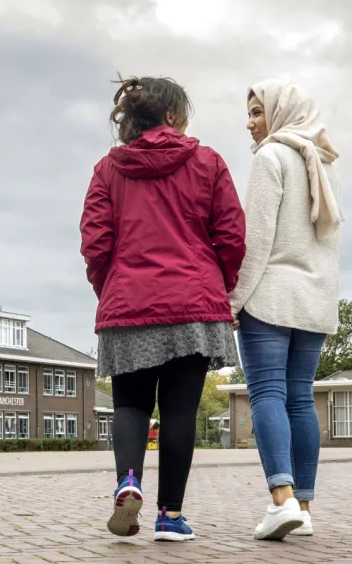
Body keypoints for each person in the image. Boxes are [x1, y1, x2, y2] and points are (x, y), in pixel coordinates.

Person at [80, 75, 246, 542]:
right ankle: (169, 517)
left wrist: (110, 290)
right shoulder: (208, 162)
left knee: (131, 404)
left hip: (128, 302)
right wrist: (220, 286)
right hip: (193, 304)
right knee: (179, 412)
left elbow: (95, 243)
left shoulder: (107, 170)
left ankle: (127, 482)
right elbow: (231, 236)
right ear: (173, 116)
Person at [229, 80, 341, 541]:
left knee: (268, 395)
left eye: (258, 111)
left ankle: (282, 501)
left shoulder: (270, 158)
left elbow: (253, 242)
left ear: (280, 113)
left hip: (270, 297)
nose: (250, 122)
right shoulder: (325, 165)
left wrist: (232, 300)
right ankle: (305, 507)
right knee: (300, 398)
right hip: (315, 300)